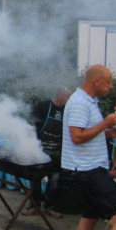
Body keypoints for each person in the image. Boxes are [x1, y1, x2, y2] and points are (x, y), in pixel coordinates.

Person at [62, 64, 116, 230]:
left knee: (89, 215)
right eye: (108, 81)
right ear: (96, 81)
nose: (111, 86)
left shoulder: (88, 101)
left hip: (91, 167)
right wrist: (105, 123)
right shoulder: (80, 103)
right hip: (88, 169)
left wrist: (111, 131)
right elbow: (77, 137)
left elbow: (89, 133)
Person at [27, 88, 71, 218]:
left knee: (54, 181)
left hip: (56, 152)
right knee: (35, 179)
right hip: (39, 148)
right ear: (60, 96)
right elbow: (31, 125)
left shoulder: (67, 111)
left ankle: (50, 207)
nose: (69, 101)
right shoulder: (43, 106)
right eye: (68, 97)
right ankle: (34, 205)